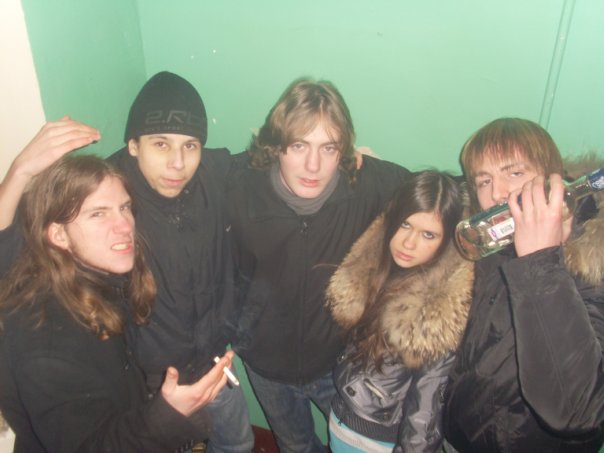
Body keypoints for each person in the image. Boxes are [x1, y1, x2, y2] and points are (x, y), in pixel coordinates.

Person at [0, 154, 234, 452]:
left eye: (124, 208)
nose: (125, 225)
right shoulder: (45, 338)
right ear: (58, 235)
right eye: (98, 214)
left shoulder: (98, 282)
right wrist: (166, 417)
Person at [225, 78, 411, 452]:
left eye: (328, 148)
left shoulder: (365, 185)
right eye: (299, 146)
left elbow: (438, 194)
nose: (313, 165)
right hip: (266, 364)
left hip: (337, 363)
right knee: (295, 445)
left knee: (364, 447)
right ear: (276, 146)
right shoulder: (240, 187)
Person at [107, 71, 254, 453]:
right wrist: (21, 173)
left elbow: (271, 158)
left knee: (239, 444)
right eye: (161, 144)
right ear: (133, 145)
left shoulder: (210, 174)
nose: (178, 164)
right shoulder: (106, 199)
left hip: (213, 363)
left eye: (190, 146)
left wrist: (362, 166)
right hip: (152, 387)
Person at [442, 118, 604, 451]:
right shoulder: (487, 234)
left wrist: (541, 261)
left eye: (514, 173)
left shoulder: (594, 258)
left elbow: (578, 411)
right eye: (484, 180)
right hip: (456, 439)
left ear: (552, 178)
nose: (497, 193)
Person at [326, 171, 472, 453]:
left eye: (428, 234)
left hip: (376, 443)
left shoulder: (437, 312)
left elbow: (426, 413)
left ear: (446, 241)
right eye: (405, 224)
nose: (409, 243)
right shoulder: (375, 272)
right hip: (341, 421)